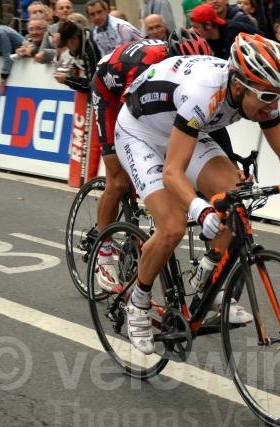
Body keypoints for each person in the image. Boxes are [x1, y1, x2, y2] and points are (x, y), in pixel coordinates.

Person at [115, 33, 280, 353]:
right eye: (267, 95)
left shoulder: (256, 94)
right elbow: (172, 172)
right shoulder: (205, 94)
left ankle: (206, 281)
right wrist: (199, 208)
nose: (274, 104)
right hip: (140, 131)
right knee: (173, 226)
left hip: (182, 128)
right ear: (239, 86)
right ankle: (138, 302)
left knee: (234, 198)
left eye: (279, 94)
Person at [89, 29, 214, 292]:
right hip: (110, 92)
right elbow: (135, 118)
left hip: (142, 96)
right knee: (119, 179)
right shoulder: (150, 65)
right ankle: (103, 252)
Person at [190, 2, 259, 59]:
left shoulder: (233, 31)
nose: (192, 30)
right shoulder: (211, 38)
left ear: (208, 25)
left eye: (196, 27)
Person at [52, 19, 100, 91]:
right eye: (66, 42)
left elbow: (92, 85)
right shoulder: (78, 45)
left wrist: (68, 80)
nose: (70, 45)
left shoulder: (89, 49)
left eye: (73, 38)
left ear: (77, 37)